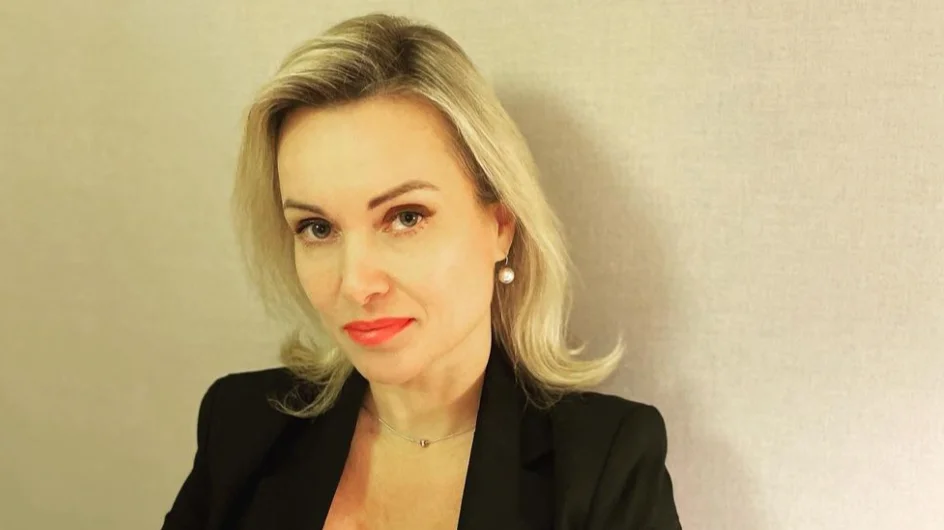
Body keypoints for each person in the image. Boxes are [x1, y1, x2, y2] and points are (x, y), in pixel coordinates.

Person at [162, 12, 682, 530]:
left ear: (500, 226)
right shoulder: (241, 427)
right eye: (317, 228)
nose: (356, 284)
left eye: (406, 217)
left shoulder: (605, 465)